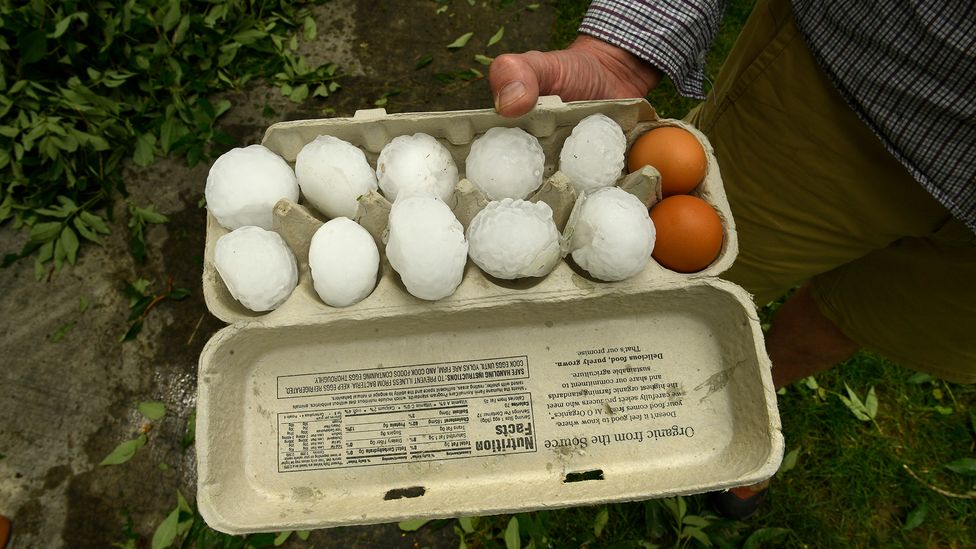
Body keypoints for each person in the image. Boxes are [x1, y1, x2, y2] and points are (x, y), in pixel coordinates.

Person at [489, 0, 976, 518]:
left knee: (858, 320)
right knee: (690, 294)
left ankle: (745, 405)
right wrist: (626, 49)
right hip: (847, 87)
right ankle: (625, 404)